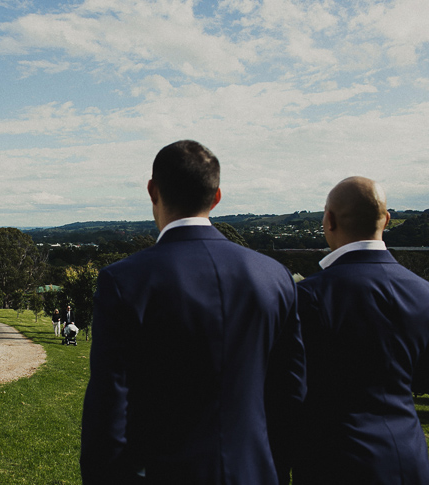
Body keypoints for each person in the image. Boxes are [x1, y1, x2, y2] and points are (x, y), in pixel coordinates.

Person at [80, 140, 306, 484]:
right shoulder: (275, 276)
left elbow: (109, 407)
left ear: (153, 191)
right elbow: (290, 394)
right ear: (216, 197)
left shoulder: (126, 281)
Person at [293, 176, 429, 484]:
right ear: (387, 220)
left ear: (329, 220)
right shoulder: (424, 293)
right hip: (409, 457)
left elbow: (291, 386)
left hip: (335, 461)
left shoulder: (310, 297)